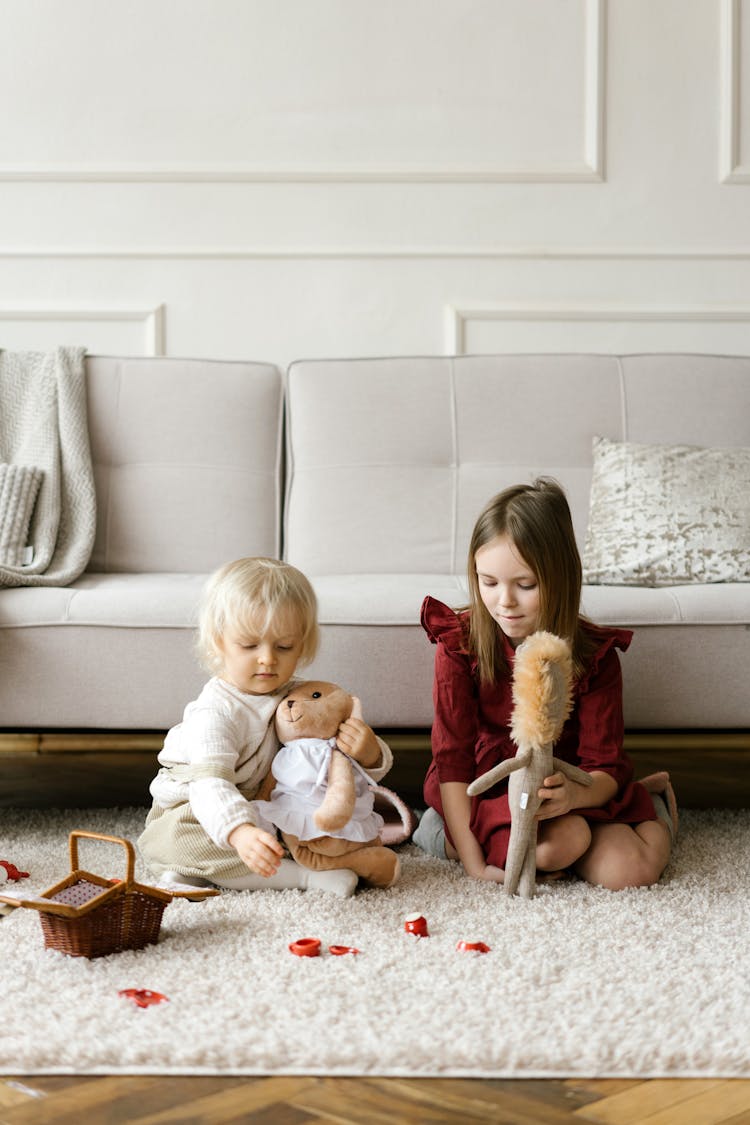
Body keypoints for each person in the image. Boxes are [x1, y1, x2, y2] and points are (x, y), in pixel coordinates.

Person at [412, 478, 675, 891]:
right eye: (489, 582)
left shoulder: (594, 656)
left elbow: (602, 764)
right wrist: (472, 861)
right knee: (558, 847)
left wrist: (575, 796)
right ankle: (447, 830)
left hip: (573, 784)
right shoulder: (459, 645)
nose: (504, 602)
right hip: (490, 787)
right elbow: (453, 761)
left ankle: (653, 805)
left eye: (526, 585)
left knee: (630, 872)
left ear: (560, 578)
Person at [138, 556, 392, 897]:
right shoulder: (215, 712)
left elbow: (334, 763)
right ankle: (305, 878)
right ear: (219, 642)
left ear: (302, 644)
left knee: (320, 826)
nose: (268, 658)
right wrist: (240, 832)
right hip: (202, 806)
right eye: (249, 645)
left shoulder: (299, 696)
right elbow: (209, 787)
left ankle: (200, 873)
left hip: (268, 803)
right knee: (189, 841)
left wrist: (370, 752)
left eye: (284, 646)